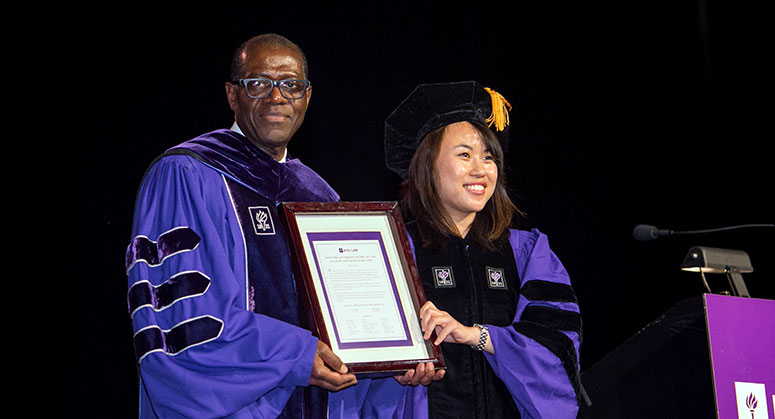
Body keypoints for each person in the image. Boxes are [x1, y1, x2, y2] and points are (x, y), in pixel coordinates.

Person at [125, 33, 429, 418]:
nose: (276, 97)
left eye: (291, 85)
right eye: (258, 84)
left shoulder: (321, 198)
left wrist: (393, 363)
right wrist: (296, 355)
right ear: (232, 95)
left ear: (307, 97)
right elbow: (185, 324)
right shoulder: (187, 175)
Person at [384, 81, 585, 418]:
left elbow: (556, 349)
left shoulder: (527, 252)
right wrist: (396, 369)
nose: (481, 170)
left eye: (489, 157)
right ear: (427, 164)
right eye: (464, 154)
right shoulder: (394, 249)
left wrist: (476, 336)